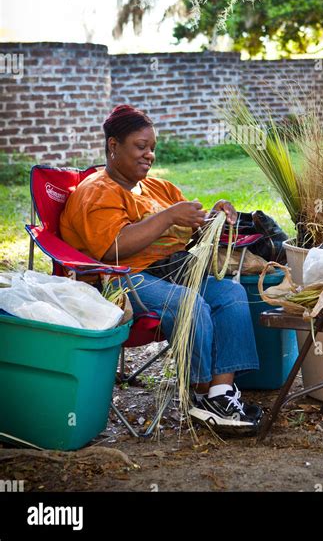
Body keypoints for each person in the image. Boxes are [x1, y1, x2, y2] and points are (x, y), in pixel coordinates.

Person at [59, 104, 262, 432]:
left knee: (231, 293)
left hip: (172, 271)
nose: (149, 155)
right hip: (123, 281)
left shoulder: (159, 188)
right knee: (189, 303)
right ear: (114, 146)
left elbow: (189, 224)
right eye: (141, 147)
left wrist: (213, 217)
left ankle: (220, 393)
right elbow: (112, 248)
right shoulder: (96, 192)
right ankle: (197, 392)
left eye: (152, 148)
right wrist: (168, 216)